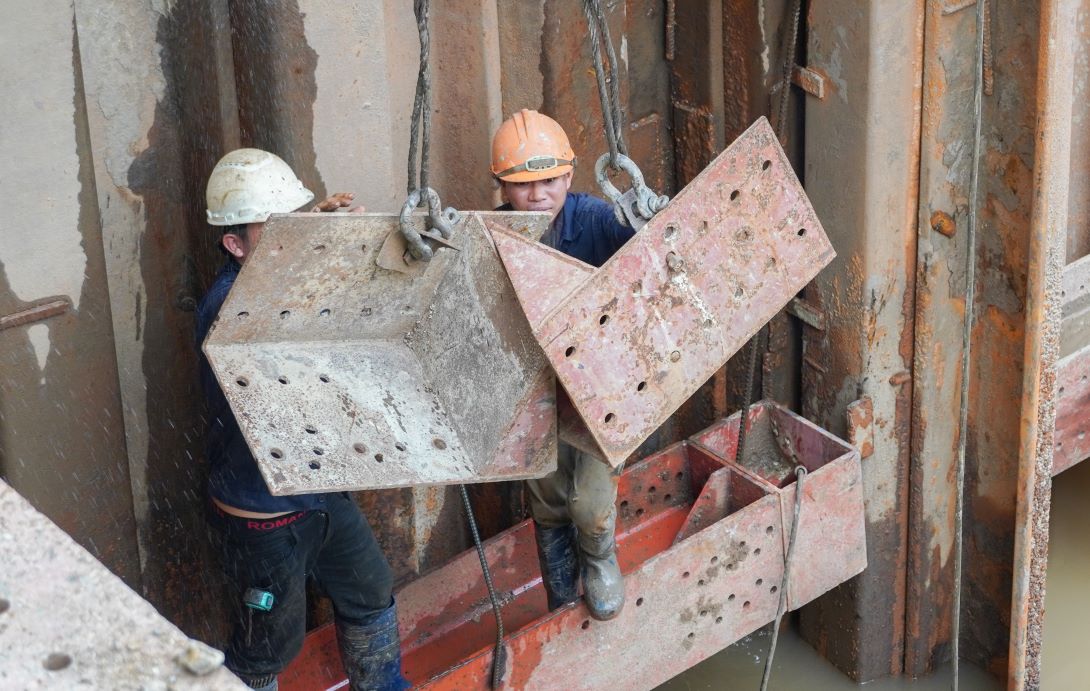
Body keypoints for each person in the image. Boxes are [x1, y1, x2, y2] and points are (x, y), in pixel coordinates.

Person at [197, 148, 407, 691]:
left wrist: (323, 234)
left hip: (315, 487)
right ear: (235, 245)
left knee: (369, 589)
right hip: (263, 515)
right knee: (266, 649)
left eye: (294, 222)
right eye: (274, 229)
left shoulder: (271, 275)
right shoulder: (232, 310)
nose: (292, 241)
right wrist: (347, 259)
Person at [491, 109, 635, 621]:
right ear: (503, 187)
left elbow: (646, 259)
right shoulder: (492, 235)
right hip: (536, 386)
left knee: (590, 502)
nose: (538, 194)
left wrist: (650, 219)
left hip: (598, 386)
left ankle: (599, 562)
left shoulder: (596, 220)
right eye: (524, 184)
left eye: (550, 180)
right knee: (549, 496)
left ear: (569, 177)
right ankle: (559, 589)